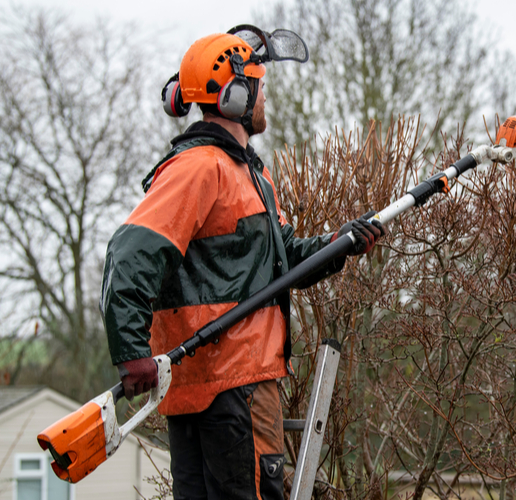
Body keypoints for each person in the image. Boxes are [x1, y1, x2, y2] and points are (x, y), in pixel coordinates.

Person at [100, 29, 382, 500]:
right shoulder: (200, 168)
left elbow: (282, 261)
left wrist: (339, 244)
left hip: (211, 385)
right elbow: (128, 255)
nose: (265, 95)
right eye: (260, 85)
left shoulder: (247, 172)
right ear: (234, 97)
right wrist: (132, 354)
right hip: (234, 385)